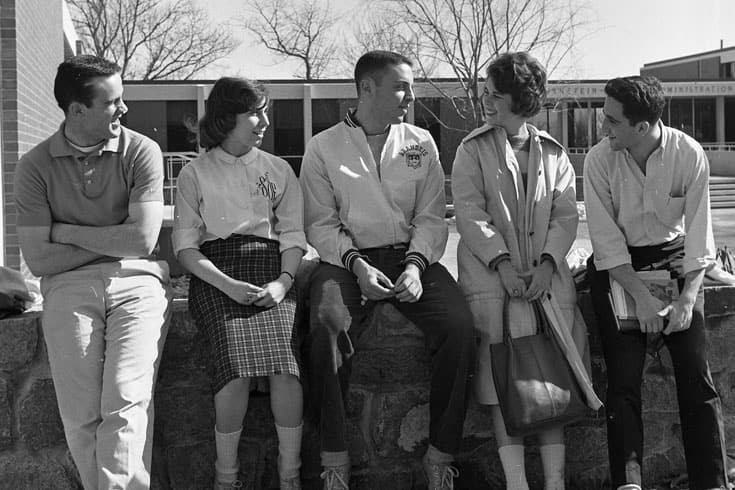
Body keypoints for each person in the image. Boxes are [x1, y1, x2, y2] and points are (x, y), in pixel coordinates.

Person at [299, 50, 475, 490]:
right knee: (325, 326)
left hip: (410, 257)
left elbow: (433, 217)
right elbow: (319, 224)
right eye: (401, 87)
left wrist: (415, 267)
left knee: (459, 325)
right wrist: (356, 265)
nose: (410, 97)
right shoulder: (322, 147)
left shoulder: (420, 141)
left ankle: (440, 459)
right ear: (366, 89)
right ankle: (334, 463)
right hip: (345, 261)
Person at [14, 55, 171, 489]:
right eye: (113, 101)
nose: (124, 109)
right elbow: (40, 260)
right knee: (81, 415)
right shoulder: (33, 166)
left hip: (137, 284)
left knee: (126, 399)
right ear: (77, 110)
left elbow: (141, 241)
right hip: (66, 288)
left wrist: (64, 231)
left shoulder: (142, 151)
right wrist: (108, 240)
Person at [452, 51, 590, 490]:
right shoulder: (471, 149)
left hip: (547, 286)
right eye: (485, 92)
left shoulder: (553, 152)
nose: (485, 101)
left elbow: (566, 216)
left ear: (519, 99)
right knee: (501, 385)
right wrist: (502, 264)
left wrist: (549, 264)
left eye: (494, 94)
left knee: (551, 379)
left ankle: (554, 483)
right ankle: (516, 484)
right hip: (495, 286)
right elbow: (470, 214)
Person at [583, 75, 728, 490]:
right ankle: (629, 483)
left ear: (641, 127)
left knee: (697, 376)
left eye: (611, 120)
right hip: (619, 264)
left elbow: (700, 236)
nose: (603, 128)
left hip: (675, 257)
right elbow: (607, 244)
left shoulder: (689, 154)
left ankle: (712, 483)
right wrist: (642, 299)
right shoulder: (598, 160)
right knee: (623, 378)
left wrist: (686, 299)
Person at [172, 77, 307, 490]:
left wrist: (284, 283)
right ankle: (225, 477)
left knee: (286, 367)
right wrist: (227, 284)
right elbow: (186, 247)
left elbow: (293, 235)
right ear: (226, 117)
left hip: (272, 271)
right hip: (216, 275)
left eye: (264, 110)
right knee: (234, 369)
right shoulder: (195, 173)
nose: (263, 121)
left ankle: (290, 476)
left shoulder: (278, 169)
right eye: (254, 112)